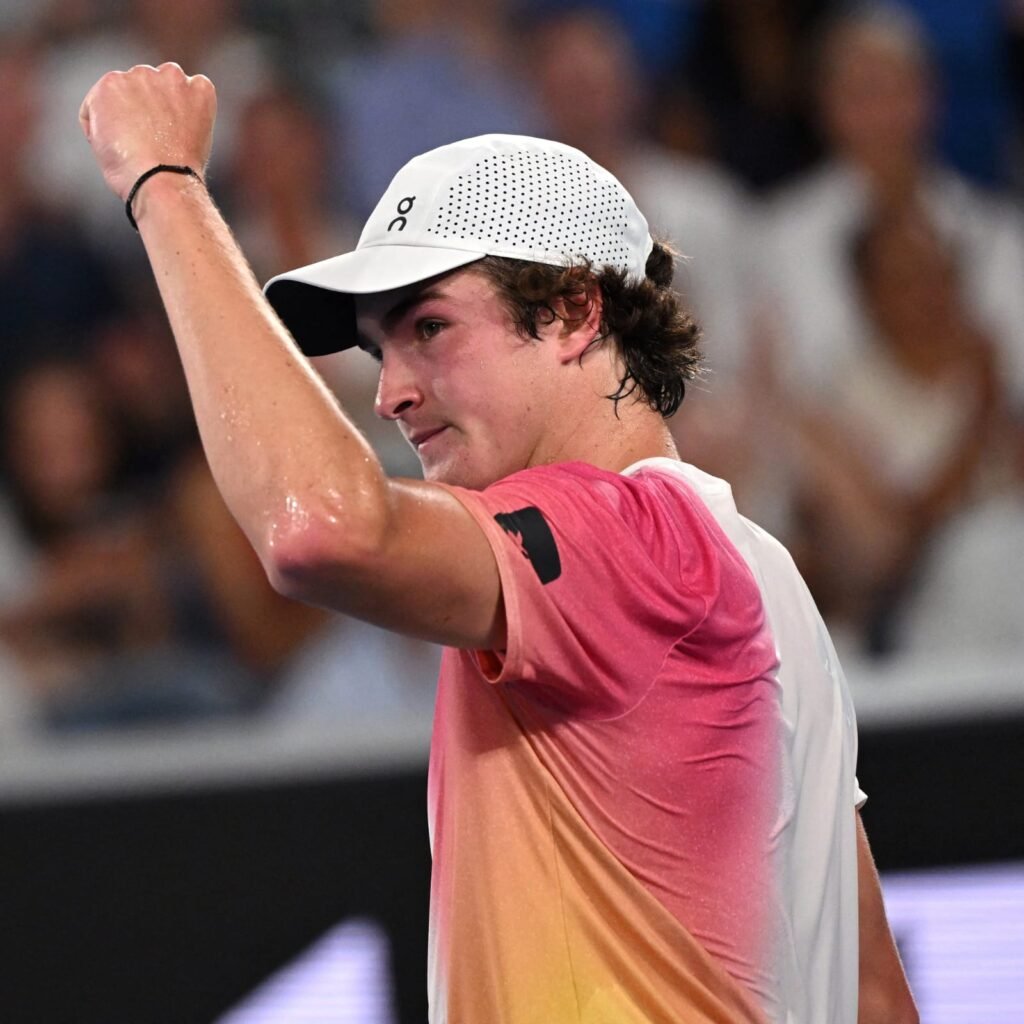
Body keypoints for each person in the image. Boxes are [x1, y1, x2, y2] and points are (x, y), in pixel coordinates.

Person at [79, 64, 917, 1024]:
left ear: (572, 313)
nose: (390, 391)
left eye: (429, 328)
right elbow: (876, 998)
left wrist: (167, 186)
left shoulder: (631, 538)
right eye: (378, 350)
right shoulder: (768, 581)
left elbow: (323, 525)